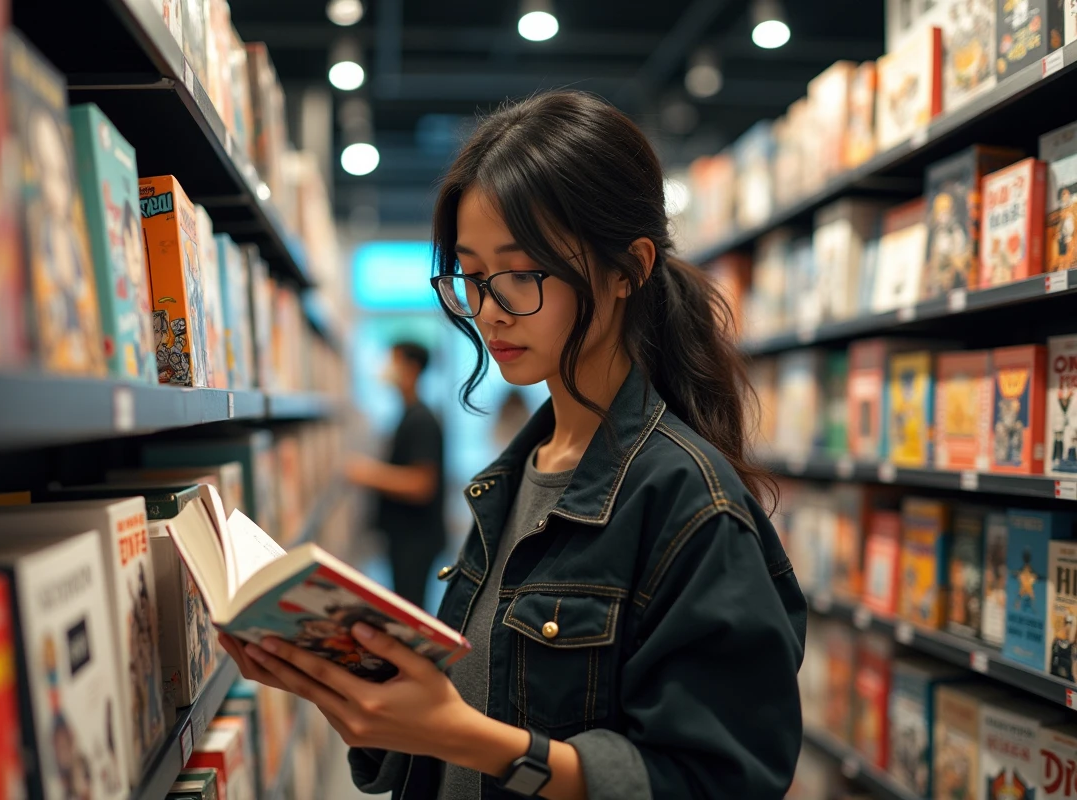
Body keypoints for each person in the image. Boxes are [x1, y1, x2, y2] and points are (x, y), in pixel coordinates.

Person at [218, 90, 805, 800]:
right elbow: (471, 710)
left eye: (523, 273)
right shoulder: (518, 474)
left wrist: (463, 737)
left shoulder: (691, 504)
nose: (490, 309)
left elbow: (715, 781)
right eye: (473, 276)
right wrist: (343, 683)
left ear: (629, 268)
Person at [345, 341, 446, 610]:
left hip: (416, 539)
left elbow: (422, 484)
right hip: (407, 536)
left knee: (411, 609)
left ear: (411, 368)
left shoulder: (421, 420)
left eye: (392, 361)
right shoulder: (408, 414)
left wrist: (368, 474)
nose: (385, 368)